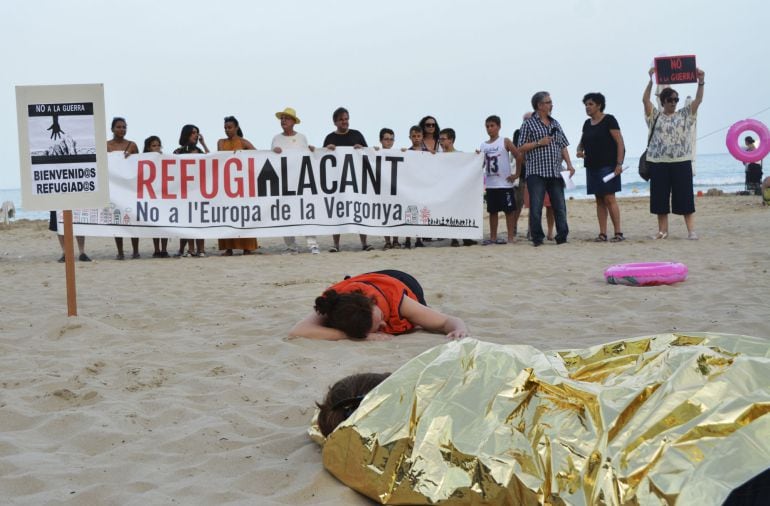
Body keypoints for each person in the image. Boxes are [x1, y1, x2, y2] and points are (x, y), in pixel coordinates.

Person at [289, 270, 469, 341]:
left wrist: (458, 329)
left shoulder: (399, 302)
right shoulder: (336, 305)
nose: (384, 325)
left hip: (399, 280)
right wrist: (352, 336)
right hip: (367, 283)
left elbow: (447, 321)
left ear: (373, 303)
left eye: (381, 319)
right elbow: (297, 331)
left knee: (424, 314)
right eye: (378, 328)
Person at [643, 67, 705, 240]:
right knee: (660, 198)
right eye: (670, 99)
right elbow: (645, 100)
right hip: (658, 162)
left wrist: (701, 81)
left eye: (676, 99)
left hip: (682, 161)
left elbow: (699, 99)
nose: (674, 102)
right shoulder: (655, 116)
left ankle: (691, 231)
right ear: (663, 101)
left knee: (685, 196)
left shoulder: (685, 114)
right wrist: (650, 80)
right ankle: (663, 231)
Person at [516, 92, 576, 246]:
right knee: (536, 207)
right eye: (548, 102)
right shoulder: (528, 124)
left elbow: (562, 145)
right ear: (539, 105)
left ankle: (562, 237)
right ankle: (537, 238)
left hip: (555, 171)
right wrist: (538, 143)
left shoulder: (555, 123)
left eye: (551, 102)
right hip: (536, 172)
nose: (551, 105)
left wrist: (569, 165)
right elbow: (521, 147)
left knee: (559, 206)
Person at [576, 92, 627, 242]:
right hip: (591, 166)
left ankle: (618, 233)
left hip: (608, 165)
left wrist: (619, 164)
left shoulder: (609, 120)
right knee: (599, 199)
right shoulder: (586, 123)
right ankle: (603, 233)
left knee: (610, 198)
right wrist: (579, 150)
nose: (587, 107)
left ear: (599, 105)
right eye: (586, 104)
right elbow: (582, 142)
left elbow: (620, 142)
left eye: (590, 104)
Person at [323, 107, 373, 252]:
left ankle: (364, 243)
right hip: (337, 181)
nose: (345, 122)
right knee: (336, 211)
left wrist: (361, 148)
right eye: (341, 119)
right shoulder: (330, 138)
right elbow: (322, 161)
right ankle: (335, 244)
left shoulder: (357, 134)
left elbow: (368, 154)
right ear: (335, 122)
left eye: (346, 118)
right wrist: (328, 149)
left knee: (359, 209)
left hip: (356, 181)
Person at [271, 107, 319, 255]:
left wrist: (311, 150)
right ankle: (291, 246)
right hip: (284, 183)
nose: (283, 120)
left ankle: (312, 244)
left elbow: (307, 157)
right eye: (282, 118)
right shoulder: (276, 139)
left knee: (306, 211)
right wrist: (275, 152)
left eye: (287, 118)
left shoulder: (301, 138)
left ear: (293, 122)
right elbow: (271, 159)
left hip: (301, 182)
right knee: (285, 213)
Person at [216, 116, 258, 256]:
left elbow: (258, 155)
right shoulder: (221, 142)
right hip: (227, 184)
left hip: (242, 184)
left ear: (237, 127)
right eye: (226, 128)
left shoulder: (243, 142)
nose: (228, 130)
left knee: (244, 214)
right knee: (228, 214)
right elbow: (219, 157)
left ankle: (247, 247)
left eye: (230, 127)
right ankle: (229, 248)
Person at [513, 113, 554, 241]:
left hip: (538, 173)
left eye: (529, 119)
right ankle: (513, 227)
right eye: (525, 120)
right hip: (523, 174)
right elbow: (518, 152)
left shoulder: (539, 131)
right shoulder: (518, 133)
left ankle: (531, 231)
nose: (527, 122)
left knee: (535, 204)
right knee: (518, 204)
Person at [479, 115, 519, 245]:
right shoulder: (483, 145)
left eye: (492, 126)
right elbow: (482, 165)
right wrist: (476, 158)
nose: (489, 129)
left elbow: (518, 155)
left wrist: (516, 174)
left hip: (505, 184)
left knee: (509, 211)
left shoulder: (505, 141)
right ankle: (493, 237)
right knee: (492, 212)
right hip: (491, 185)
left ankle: (510, 238)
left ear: (499, 126)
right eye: (487, 126)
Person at [106, 117, 140, 260]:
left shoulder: (132, 145)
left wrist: (130, 157)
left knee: (133, 219)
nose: (122, 130)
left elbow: (140, 163)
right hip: (114, 188)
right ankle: (120, 251)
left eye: (124, 127)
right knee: (117, 220)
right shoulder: (106, 145)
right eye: (119, 127)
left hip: (129, 188)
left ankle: (135, 250)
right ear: (112, 129)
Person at [173, 124, 209, 257]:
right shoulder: (178, 152)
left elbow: (212, 160)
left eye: (197, 132)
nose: (196, 135)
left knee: (200, 220)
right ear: (186, 134)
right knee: (188, 220)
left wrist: (203, 143)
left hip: (199, 190)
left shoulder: (199, 151)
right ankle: (191, 249)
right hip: (185, 191)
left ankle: (201, 249)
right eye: (193, 132)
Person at [440, 128, 477, 247]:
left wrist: (477, 157)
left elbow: (473, 167)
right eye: (440, 139)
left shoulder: (460, 155)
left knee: (461, 213)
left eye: (443, 139)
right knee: (449, 213)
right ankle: (454, 238)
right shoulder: (437, 156)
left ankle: (466, 237)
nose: (441, 141)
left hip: (458, 190)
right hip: (445, 189)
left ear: (451, 140)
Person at [142, 136, 170, 258]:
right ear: (148, 147)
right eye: (154, 146)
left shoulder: (165, 158)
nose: (157, 148)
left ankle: (164, 249)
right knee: (154, 223)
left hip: (163, 194)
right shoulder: (142, 160)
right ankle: (156, 249)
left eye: (158, 145)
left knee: (164, 224)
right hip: (151, 195)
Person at [377, 128, 401, 250]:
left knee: (395, 215)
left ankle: (396, 241)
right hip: (382, 189)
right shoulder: (376, 152)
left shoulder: (397, 153)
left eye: (391, 139)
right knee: (384, 215)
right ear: (381, 140)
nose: (389, 142)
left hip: (395, 189)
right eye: (386, 139)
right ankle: (387, 241)